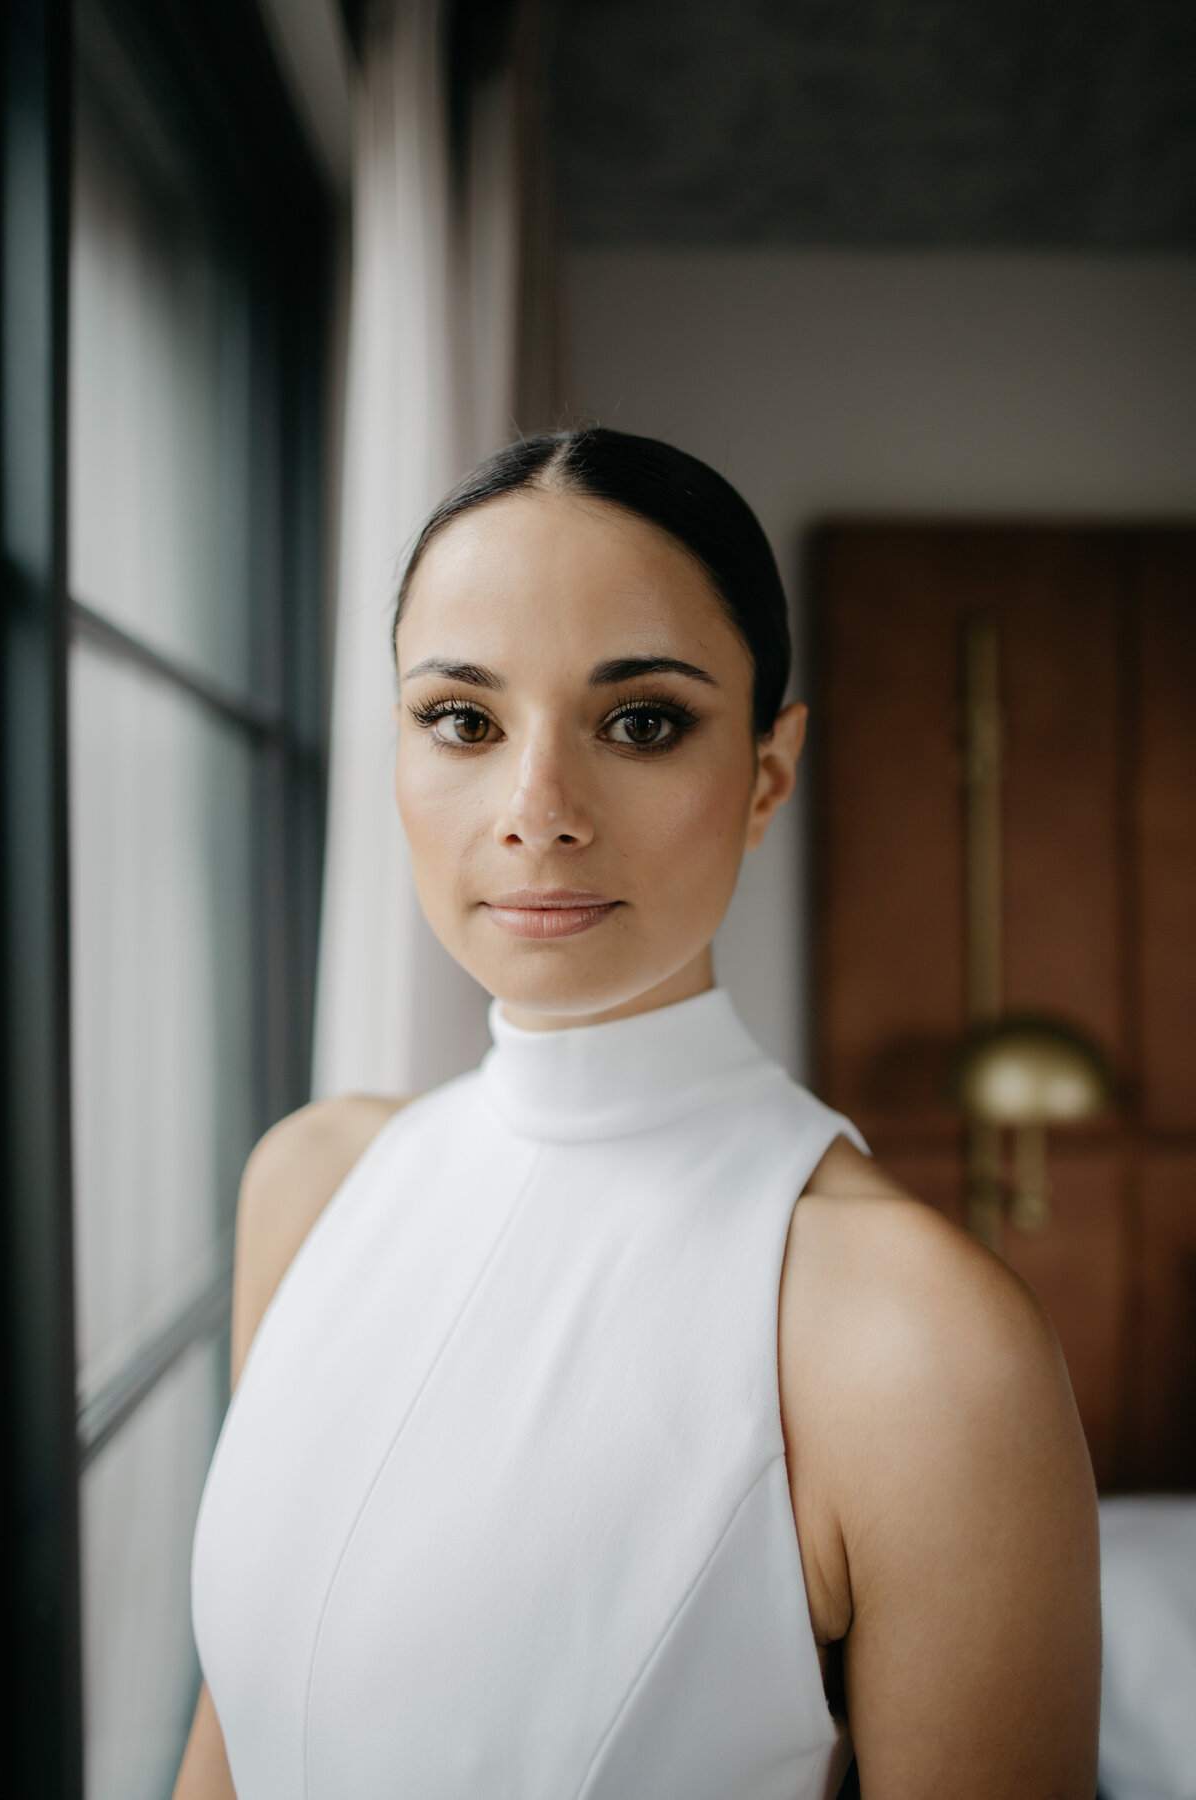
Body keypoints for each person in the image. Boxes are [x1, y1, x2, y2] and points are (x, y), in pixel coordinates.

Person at [174, 428, 1100, 1799]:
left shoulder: (917, 1340)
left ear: (768, 775)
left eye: (643, 721)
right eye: (465, 721)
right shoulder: (309, 1184)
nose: (537, 811)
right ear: (400, 752)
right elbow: (233, 1740)